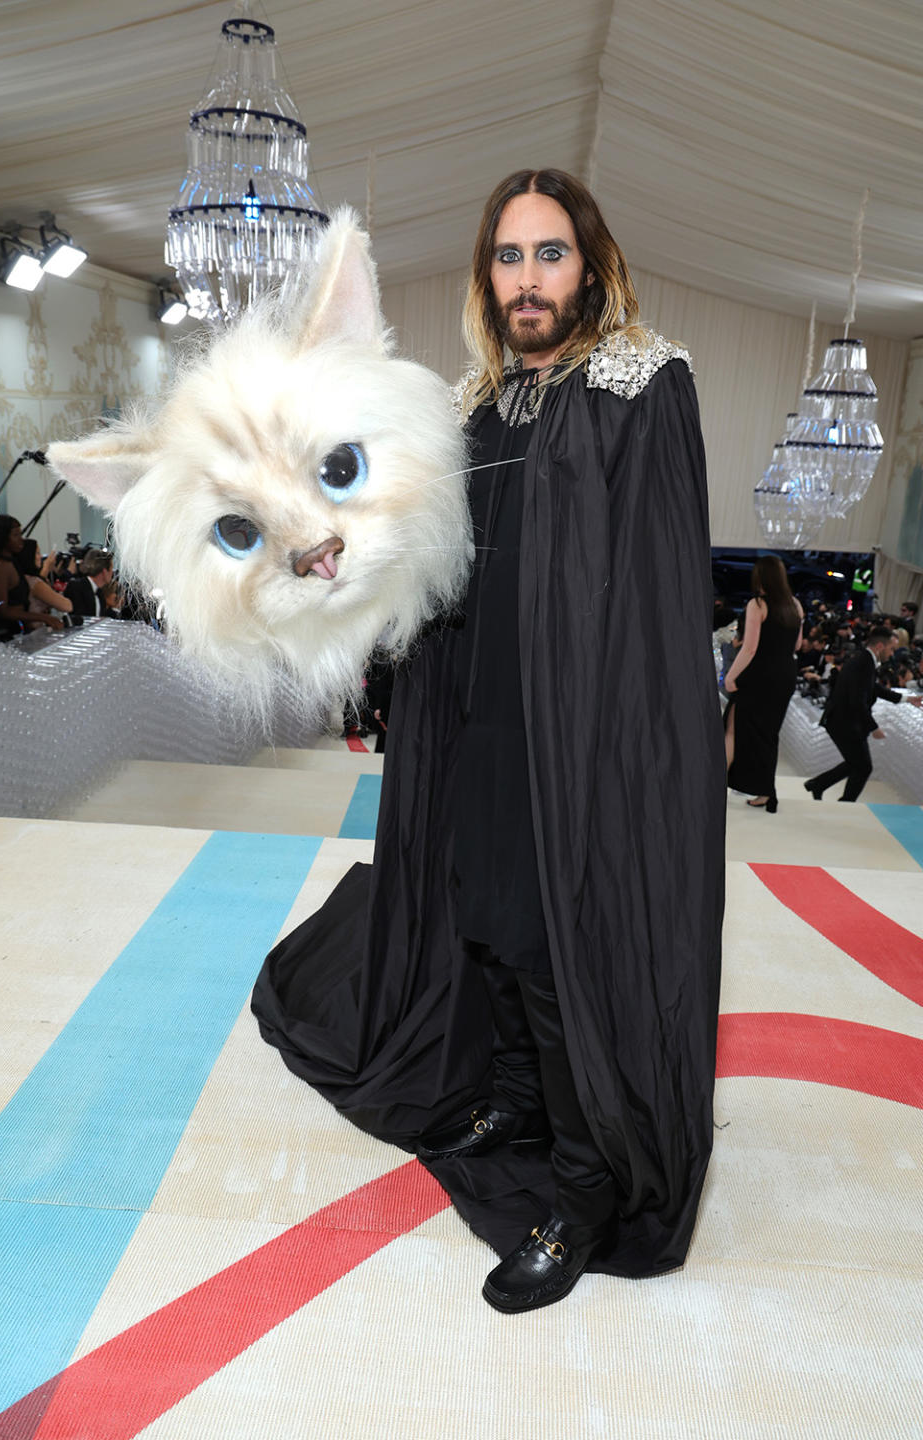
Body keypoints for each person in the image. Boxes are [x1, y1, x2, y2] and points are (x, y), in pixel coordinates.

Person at [252, 169, 725, 1311]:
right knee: (497, 934)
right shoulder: (473, 406)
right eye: (509, 258)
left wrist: (638, 760)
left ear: (591, 263)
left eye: (548, 254)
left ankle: (582, 1187)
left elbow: (661, 593)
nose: (527, 279)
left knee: (568, 959)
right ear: (487, 277)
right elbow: (425, 565)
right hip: (477, 726)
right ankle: (514, 1094)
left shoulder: (645, 384)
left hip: (586, 741)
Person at [723, 555, 803, 813]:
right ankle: (766, 793)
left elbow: (749, 649)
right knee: (768, 735)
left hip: (759, 676)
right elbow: (797, 645)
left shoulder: (757, 604)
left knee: (733, 728)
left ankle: (713, 787)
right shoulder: (796, 605)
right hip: (785, 676)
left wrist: (730, 677)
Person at [806, 627, 923, 801]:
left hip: (844, 721)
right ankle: (844, 801)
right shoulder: (863, 663)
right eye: (891, 649)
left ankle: (818, 785)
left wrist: (906, 699)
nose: (892, 654)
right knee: (862, 766)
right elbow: (857, 701)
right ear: (880, 646)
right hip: (843, 722)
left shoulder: (865, 660)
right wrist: (874, 727)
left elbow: (873, 689)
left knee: (856, 763)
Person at [0, 515, 63, 637]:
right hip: (6, 634)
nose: (21, 540)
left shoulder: (11, 563)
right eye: (16, 535)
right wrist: (44, 618)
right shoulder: (0, 567)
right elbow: (2, 610)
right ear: (3, 537)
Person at [64, 547, 114, 616]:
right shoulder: (76, 587)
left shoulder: (99, 593)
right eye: (111, 569)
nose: (112, 573)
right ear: (104, 571)